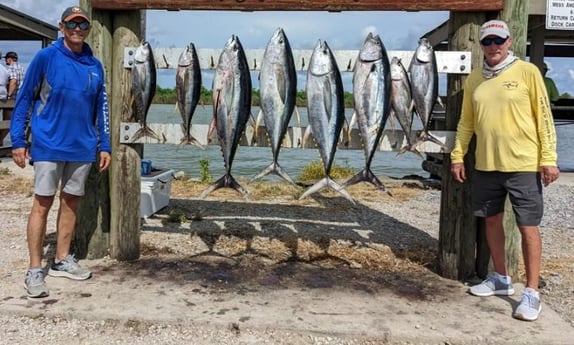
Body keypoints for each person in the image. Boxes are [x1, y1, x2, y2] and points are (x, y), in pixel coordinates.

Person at [450, 19, 559, 322]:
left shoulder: (527, 72)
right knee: (491, 221)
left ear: (510, 41)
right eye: (487, 42)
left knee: (528, 229)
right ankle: (500, 278)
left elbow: (543, 117)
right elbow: (466, 123)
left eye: (499, 40)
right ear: (481, 46)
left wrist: (548, 158)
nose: (493, 46)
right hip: (486, 164)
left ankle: (532, 292)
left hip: (523, 164)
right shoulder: (475, 79)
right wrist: (458, 156)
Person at [10, 6, 111, 298]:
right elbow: (25, 98)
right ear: (61, 25)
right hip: (48, 144)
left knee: (71, 204)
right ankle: (34, 269)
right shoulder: (46, 57)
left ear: (88, 28)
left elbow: (101, 109)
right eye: (72, 23)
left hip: (82, 147)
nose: (77, 28)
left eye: (82, 24)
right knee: (42, 203)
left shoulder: (95, 65)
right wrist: (18, 139)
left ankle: (62, 259)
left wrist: (104, 144)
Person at [1, 51, 26, 145]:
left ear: (9, 59)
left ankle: (0, 142)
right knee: (11, 122)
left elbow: (13, 81)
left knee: (7, 122)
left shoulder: (11, 68)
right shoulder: (22, 68)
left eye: (6, 59)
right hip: (20, 99)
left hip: (12, 99)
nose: (6, 61)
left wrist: (9, 95)